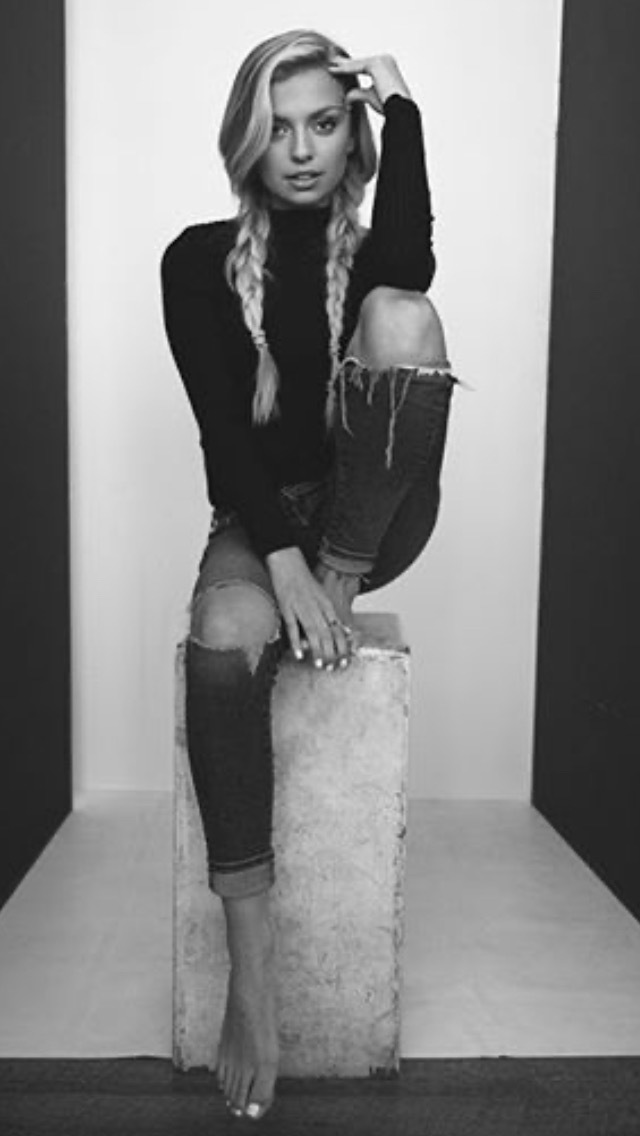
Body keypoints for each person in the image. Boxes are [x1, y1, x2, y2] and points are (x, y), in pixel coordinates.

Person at [161, 28, 457, 1121]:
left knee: (402, 314)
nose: (299, 150)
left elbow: (413, 266)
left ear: (350, 136)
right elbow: (221, 436)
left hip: (373, 508)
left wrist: (402, 110)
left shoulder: (366, 251)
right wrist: (277, 561)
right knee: (222, 641)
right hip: (260, 514)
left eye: (324, 124)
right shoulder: (194, 260)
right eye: (278, 127)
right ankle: (253, 977)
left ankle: (340, 577)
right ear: (246, 137)